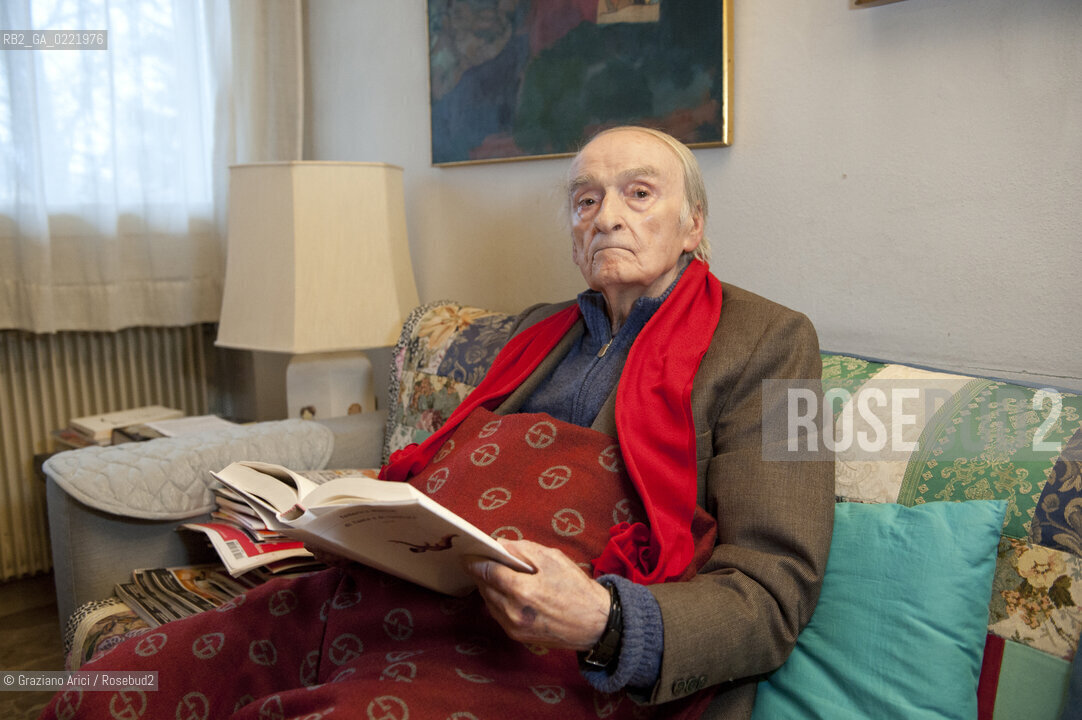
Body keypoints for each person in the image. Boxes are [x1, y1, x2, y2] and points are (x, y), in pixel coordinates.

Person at [39, 126, 833, 720]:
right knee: (120, 684)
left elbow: (777, 591)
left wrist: (606, 620)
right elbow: (452, 488)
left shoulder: (779, 343)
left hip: (544, 656)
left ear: (694, 224)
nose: (604, 217)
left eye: (638, 193)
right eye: (584, 199)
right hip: (369, 603)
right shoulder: (532, 333)